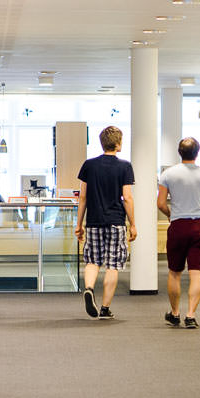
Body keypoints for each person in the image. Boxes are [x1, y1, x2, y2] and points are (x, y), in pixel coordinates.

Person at [157, 137, 200, 329]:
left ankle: (175, 313)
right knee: (196, 274)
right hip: (199, 227)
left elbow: (160, 203)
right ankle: (191, 315)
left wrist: (172, 214)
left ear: (179, 152)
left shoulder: (168, 174)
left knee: (174, 273)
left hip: (178, 226)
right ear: (197, 152)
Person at [75, 126, 137, 320]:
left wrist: (79, 224)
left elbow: (83, 197)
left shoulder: (89, 165)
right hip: (116, 222)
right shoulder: (124, 166)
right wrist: (132, 223)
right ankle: (105, 308)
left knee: (92, 261)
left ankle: (89, 289)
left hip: (93, 221)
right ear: (118, 144)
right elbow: (127, 197)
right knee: (112, 265)